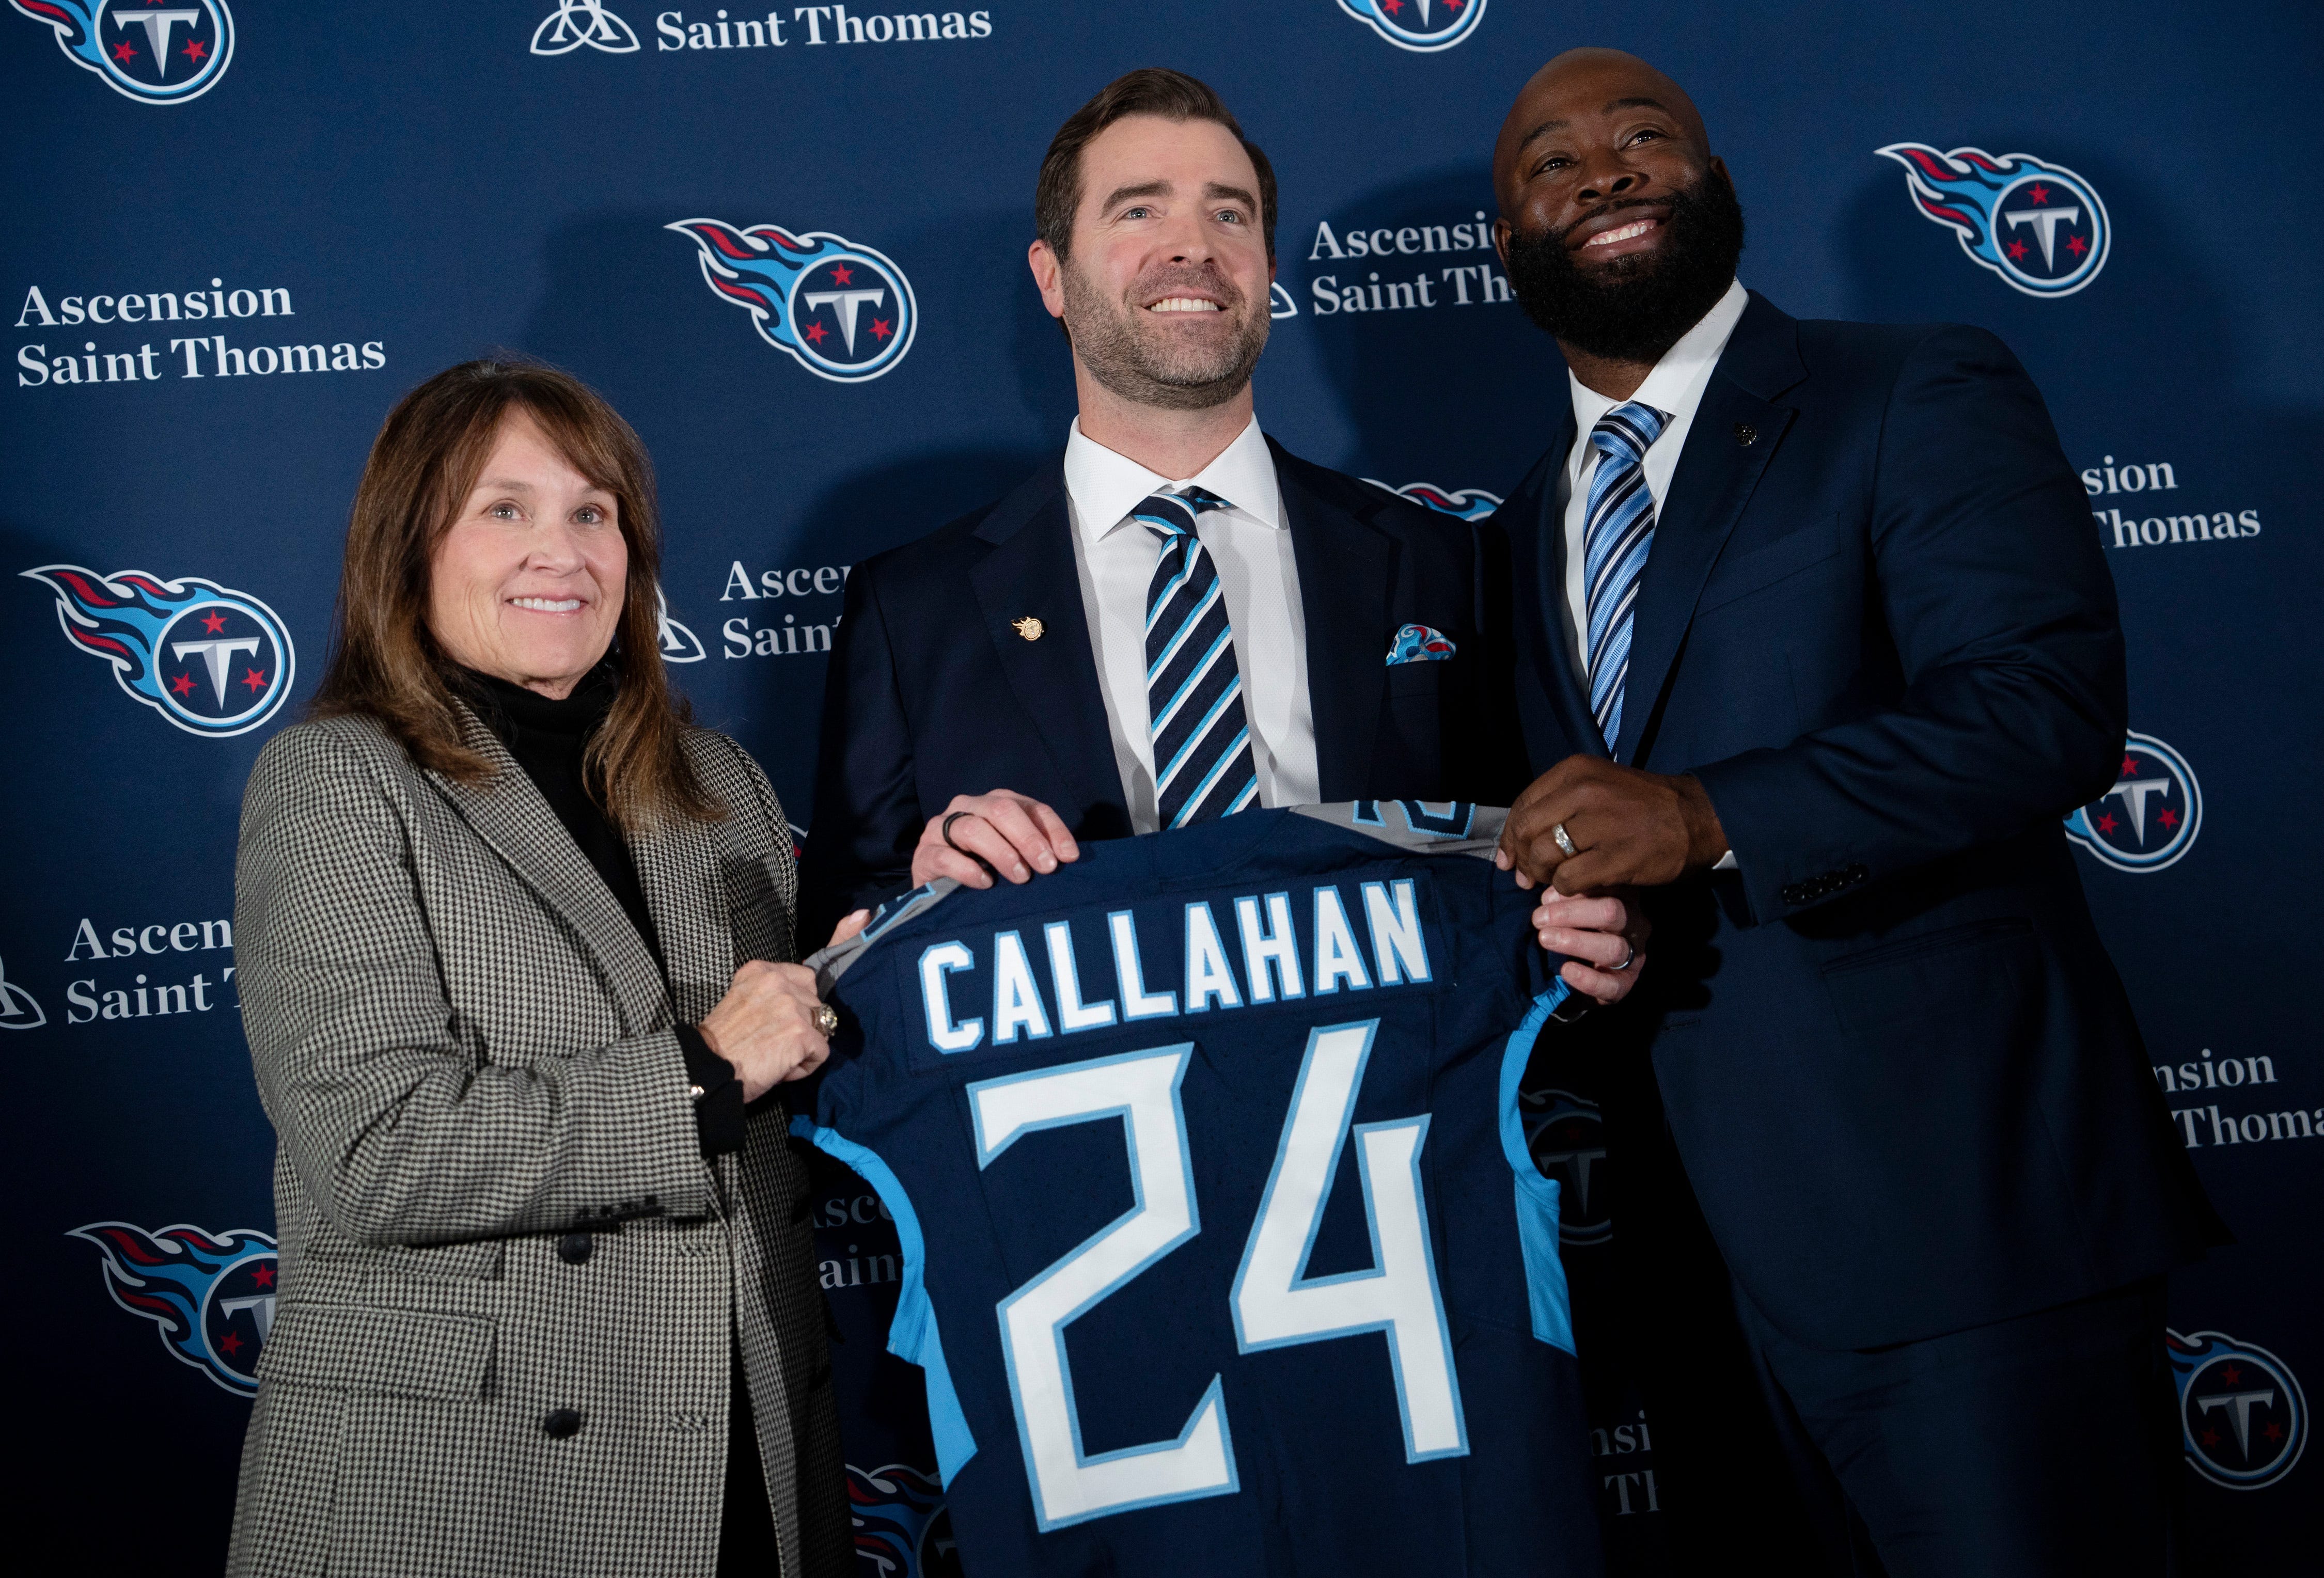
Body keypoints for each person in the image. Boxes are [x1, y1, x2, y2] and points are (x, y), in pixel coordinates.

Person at [1480, 48, 2223, 1575]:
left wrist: (1699, 816)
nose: (1604, 171)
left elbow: (2040, 709)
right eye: (1552, 164)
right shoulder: (1509, 534)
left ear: (1719, 184)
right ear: (1507, 243)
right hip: (1686, 1275)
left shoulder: (1909, 389)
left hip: (1963, 1229)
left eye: (1643, 139)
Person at [801, 67, 1643, 1007]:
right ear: (1052, 277)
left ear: (1269, 274)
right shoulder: (913, 610)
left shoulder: (1446, 564)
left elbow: (1557, 860)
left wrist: (1603, 931)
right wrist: (921, 895)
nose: (1193, 247)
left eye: (1230, 215)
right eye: (1138, 212)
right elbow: (839, 943)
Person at [227, 360, 854, 1577]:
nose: (558, 550)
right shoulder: (339, 780)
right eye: (502, 509)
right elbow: (374, 1153)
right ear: (410, 549)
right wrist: (700, 1074)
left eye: (591, 511)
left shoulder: (719, 779)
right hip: (473, 1478)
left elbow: (806, 1048)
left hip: (740, 1440)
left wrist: (931, 910)